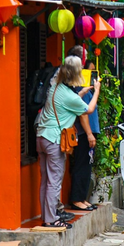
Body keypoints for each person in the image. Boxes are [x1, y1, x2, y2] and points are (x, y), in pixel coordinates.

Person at [36, 56, 100, 228]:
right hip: (54, 139)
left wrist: (82, 93)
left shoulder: (55, 87)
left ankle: (47, 215)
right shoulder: (68, 96)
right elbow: (89, 109)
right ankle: (50, 220)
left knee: (45, 181)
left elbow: (67, 102)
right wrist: (97, 91)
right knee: (54, 181)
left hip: (41, 137)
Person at [69, 60, 100, 211]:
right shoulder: (80, 89)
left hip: (89, 132)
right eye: (91, 72)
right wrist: (89, 134)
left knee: (87, 165)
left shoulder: (86, 89)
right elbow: (83, 113)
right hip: (83, 133)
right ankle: (76, 199)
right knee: (82, 164)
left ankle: (82, 198)